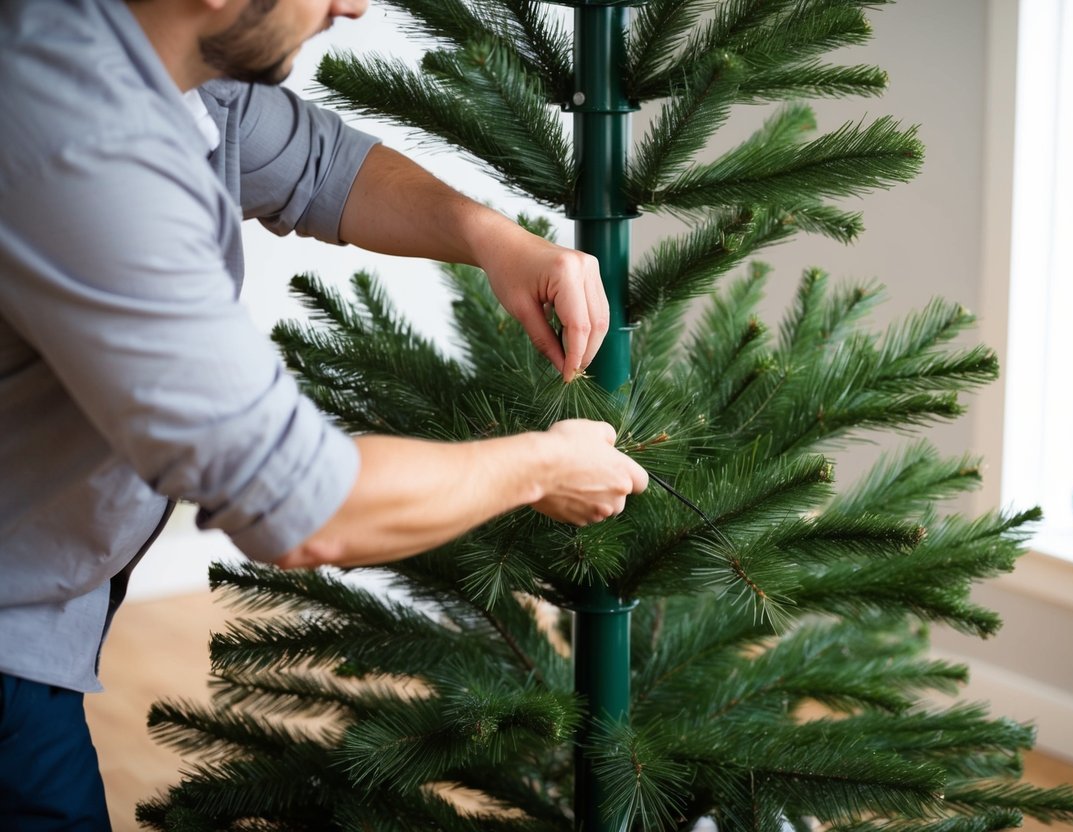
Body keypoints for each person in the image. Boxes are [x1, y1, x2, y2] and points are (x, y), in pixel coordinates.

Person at [0, 0, 649, 827]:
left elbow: (318, 163)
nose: (353, 4)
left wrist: (495, 237)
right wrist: (541, 465)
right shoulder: (82, 144)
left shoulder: (154, 60)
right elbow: (307, 508)